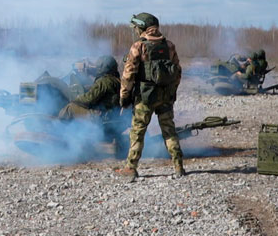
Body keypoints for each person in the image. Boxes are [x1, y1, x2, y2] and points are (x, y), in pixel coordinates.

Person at [115, 12, 184, 182]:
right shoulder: (169, 46)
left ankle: (131, 168)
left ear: (142, 28)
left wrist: (124, 96)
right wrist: (172, 92)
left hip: (144, 98)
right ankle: (179, 167)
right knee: (169, 131)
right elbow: (177, 73)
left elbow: (128, 75)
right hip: (165, 96)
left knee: (137, 133)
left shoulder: (138, 46)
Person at [58, 56, 120, 121]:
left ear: (103, 68)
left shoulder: (103, 81)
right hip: (112, 116)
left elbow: (88, 99)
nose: (97, 68)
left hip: (101, 117)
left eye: (99, 67)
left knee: (70, 108)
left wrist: (74, 100)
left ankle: (59, 127)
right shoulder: (117, 81)